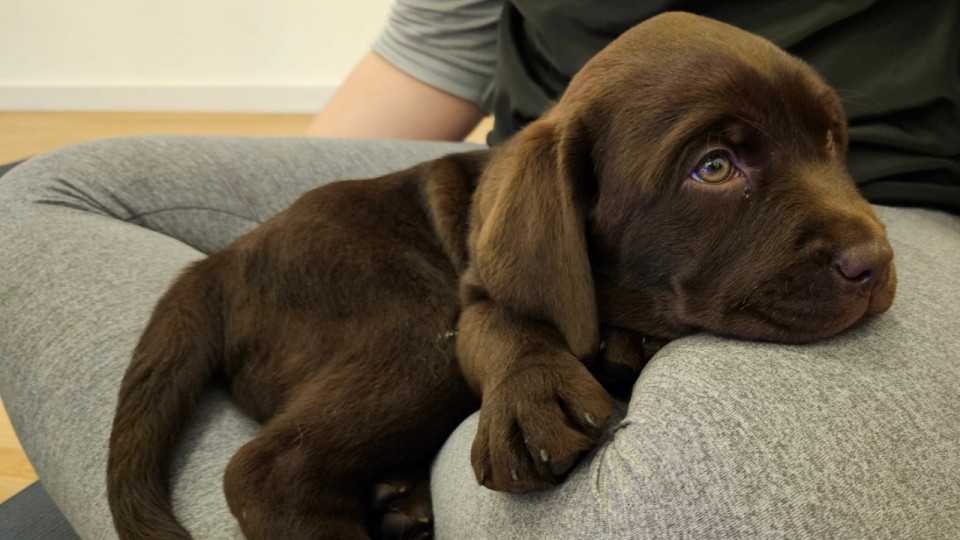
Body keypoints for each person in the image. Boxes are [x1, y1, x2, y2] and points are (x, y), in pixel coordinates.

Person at [1, 2, 958, 538]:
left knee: (687, 483)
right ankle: (296, 490)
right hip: (540, 178)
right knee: (39, 195)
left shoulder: (836, 220)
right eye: (717, 162)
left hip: (911, 195)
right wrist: (276, 251)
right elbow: (434, 44)